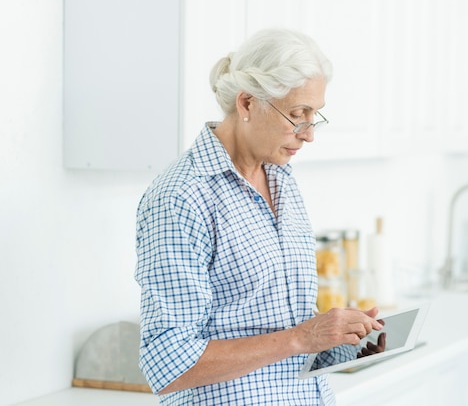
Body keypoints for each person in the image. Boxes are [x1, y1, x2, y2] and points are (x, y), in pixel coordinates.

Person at [135, 28, 384, 405]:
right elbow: (169, 363)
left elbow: (284, 329)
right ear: (248, 103)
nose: (309, 134)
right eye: (298, 114)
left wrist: (344, 343)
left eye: (315, 115)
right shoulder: (181, 197)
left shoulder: (281, 177)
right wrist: (303, 336)